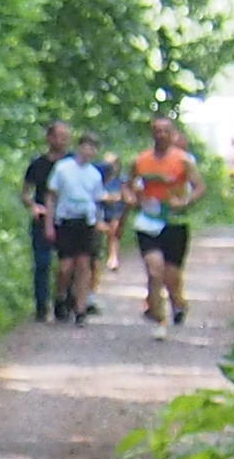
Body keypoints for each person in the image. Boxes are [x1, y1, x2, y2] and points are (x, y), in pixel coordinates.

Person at [125, 113, 204, 333]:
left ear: (172, 134)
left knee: (171, 276)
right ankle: (159, 319)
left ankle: (178, 304)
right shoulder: (141, 160)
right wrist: (130, 198)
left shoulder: (183, 160)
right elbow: (128, 185)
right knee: (154, 270)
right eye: (157, 131)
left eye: (165, 131)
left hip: (175, 222)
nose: (161, 135)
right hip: (148, 222)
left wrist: (185, 201)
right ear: (152, 134)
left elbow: (199, 187)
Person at [42, 132, 109, 324]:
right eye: (86, 147)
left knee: (84, 265)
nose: (89, 152)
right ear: (79, 148)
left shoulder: (94, 175)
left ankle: (80, 309)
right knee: (65, 267)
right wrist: (49, 224)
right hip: (65, 221)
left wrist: (99, 223)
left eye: (93, 149)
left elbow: (97, 202)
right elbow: (51, 196)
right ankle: (61, 296)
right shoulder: (63, 168)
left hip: (86, 222)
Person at [19, 121, 68, 322]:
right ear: (49, 138)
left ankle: (63, 303)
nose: (62, 140)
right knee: (43, 263)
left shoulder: (73, 163)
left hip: (67, 219)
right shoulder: (38, 164)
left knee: (67, 264)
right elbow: (25, 192)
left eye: (65, 136)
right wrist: (33, 205)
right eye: (59, 136)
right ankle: (41, 306)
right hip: (42, 218)